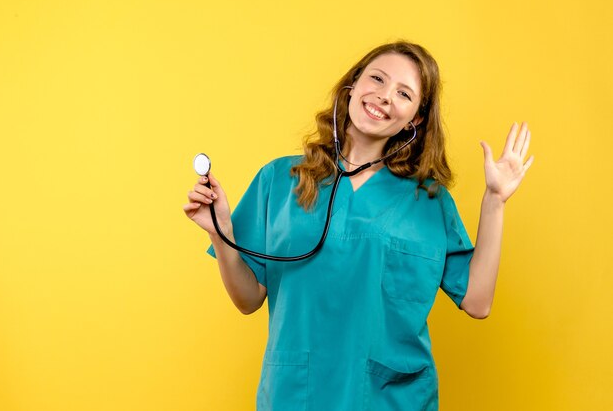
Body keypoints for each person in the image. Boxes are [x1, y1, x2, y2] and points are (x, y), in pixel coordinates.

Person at [183, 40, 533, 411]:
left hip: (392, 400)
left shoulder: (428, 200)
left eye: (403, 93)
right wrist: (220, 232)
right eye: (377, 79)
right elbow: (249, 299)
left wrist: (495, 201)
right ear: (352, 86)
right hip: (296, 396)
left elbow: (478, 301)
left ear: (415, 118)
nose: (384, 96)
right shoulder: (279, 179)